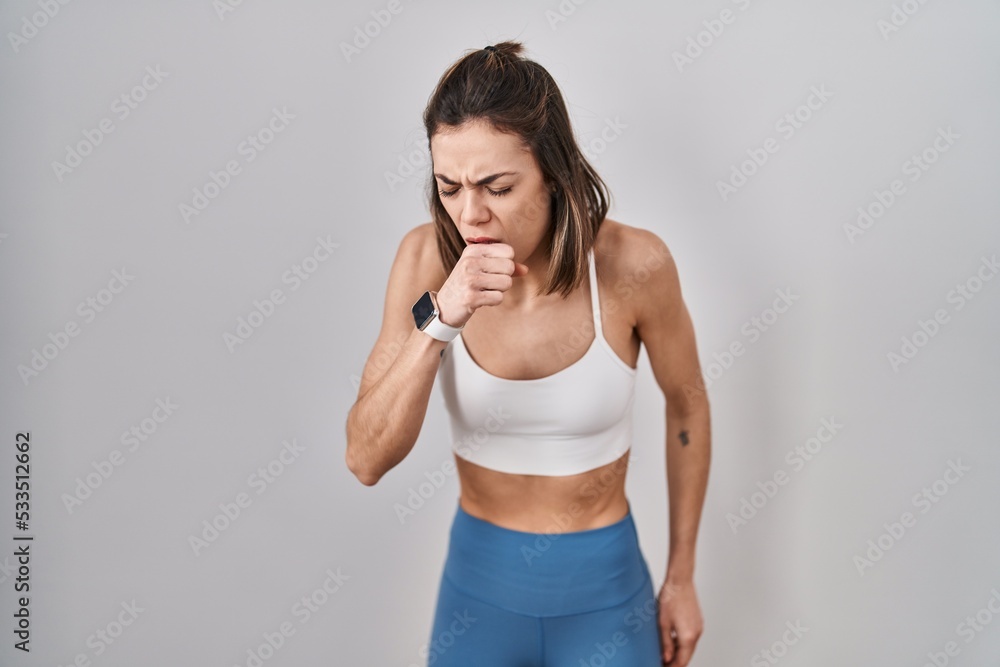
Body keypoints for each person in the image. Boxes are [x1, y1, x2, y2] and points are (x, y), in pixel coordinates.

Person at [345, 40, 711, 666]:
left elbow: (688, 407)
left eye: (498, 186)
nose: (470, 215)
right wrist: (441, 320)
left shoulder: (634, 264)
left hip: (604, 594)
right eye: (449, 187)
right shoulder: (424, 263)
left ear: (553, 170)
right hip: (478, 595)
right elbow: (366, 457)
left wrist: (681, 575)